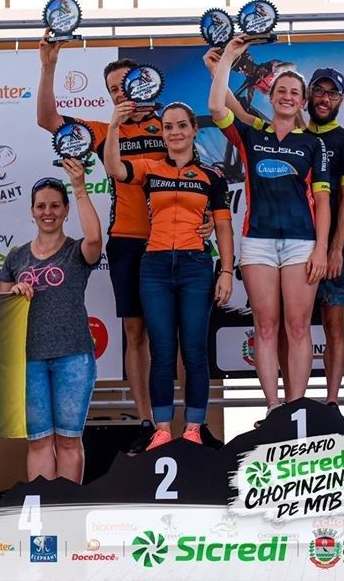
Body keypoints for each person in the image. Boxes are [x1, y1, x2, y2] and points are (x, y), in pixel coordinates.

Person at [37, 34, 214, 451]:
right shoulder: (104, 131)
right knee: (137, 333)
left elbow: (201, 183)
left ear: (145, 83)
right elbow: (48, 120)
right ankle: (148, 423)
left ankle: (193, 426)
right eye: (113, 89)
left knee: (185, 339)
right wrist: (48, 66)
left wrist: (207, 220)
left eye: (126, 85)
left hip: (180, 244)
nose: (121, 93)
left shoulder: (172, 126)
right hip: (129, 241)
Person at [207, 36, 331, 417]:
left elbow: (324, 202)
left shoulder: (313, 145)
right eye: (282, 91)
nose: (288, 97)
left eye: (295, 92)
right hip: (257, 241)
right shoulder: (252, 133)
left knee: (298, 327)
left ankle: (297, 408)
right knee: (265, 327)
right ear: (271, 96)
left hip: (301, 243)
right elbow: (216, 106)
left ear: (302, 101)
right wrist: (228, 58)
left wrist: (322, 249)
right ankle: (274, 408)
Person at [103, 102, 234, 449]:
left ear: (194, 130)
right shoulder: (150, 168)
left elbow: (223, 225)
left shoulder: (212, 176)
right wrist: (114, 125)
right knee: (161, 351)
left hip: (195, 266)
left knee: (194, 352)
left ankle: (193, 429)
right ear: (162, 133)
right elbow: (114, 167)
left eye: (181, 126)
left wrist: (226, 271)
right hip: (155, 267)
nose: (175, 132)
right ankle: (162, 430)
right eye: (168, 127)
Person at [0, 159, 102, 482]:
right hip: (29, 359)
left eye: (55, 206)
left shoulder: (76, 251)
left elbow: (95, 240)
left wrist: (80, 187)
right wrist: (13, 293)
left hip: (74, 356)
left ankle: (67, 509)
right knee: (39, 443)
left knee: (69, 441)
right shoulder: (16, 257)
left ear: (66, 210)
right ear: (32, 211)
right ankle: (42, 510)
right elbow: (0, 311)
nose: (48, 212)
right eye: (41, 206)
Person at [302, 68, 344, 406]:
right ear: (308, 94)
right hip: (295, 243)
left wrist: (336, 248)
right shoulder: (294, 136)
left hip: (337, 245)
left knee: (334, 325)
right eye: (319, 91)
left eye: (332, 93)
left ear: (341, 99)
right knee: (293, 326)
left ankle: (332, 401)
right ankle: (292, 402)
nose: (325, 99)